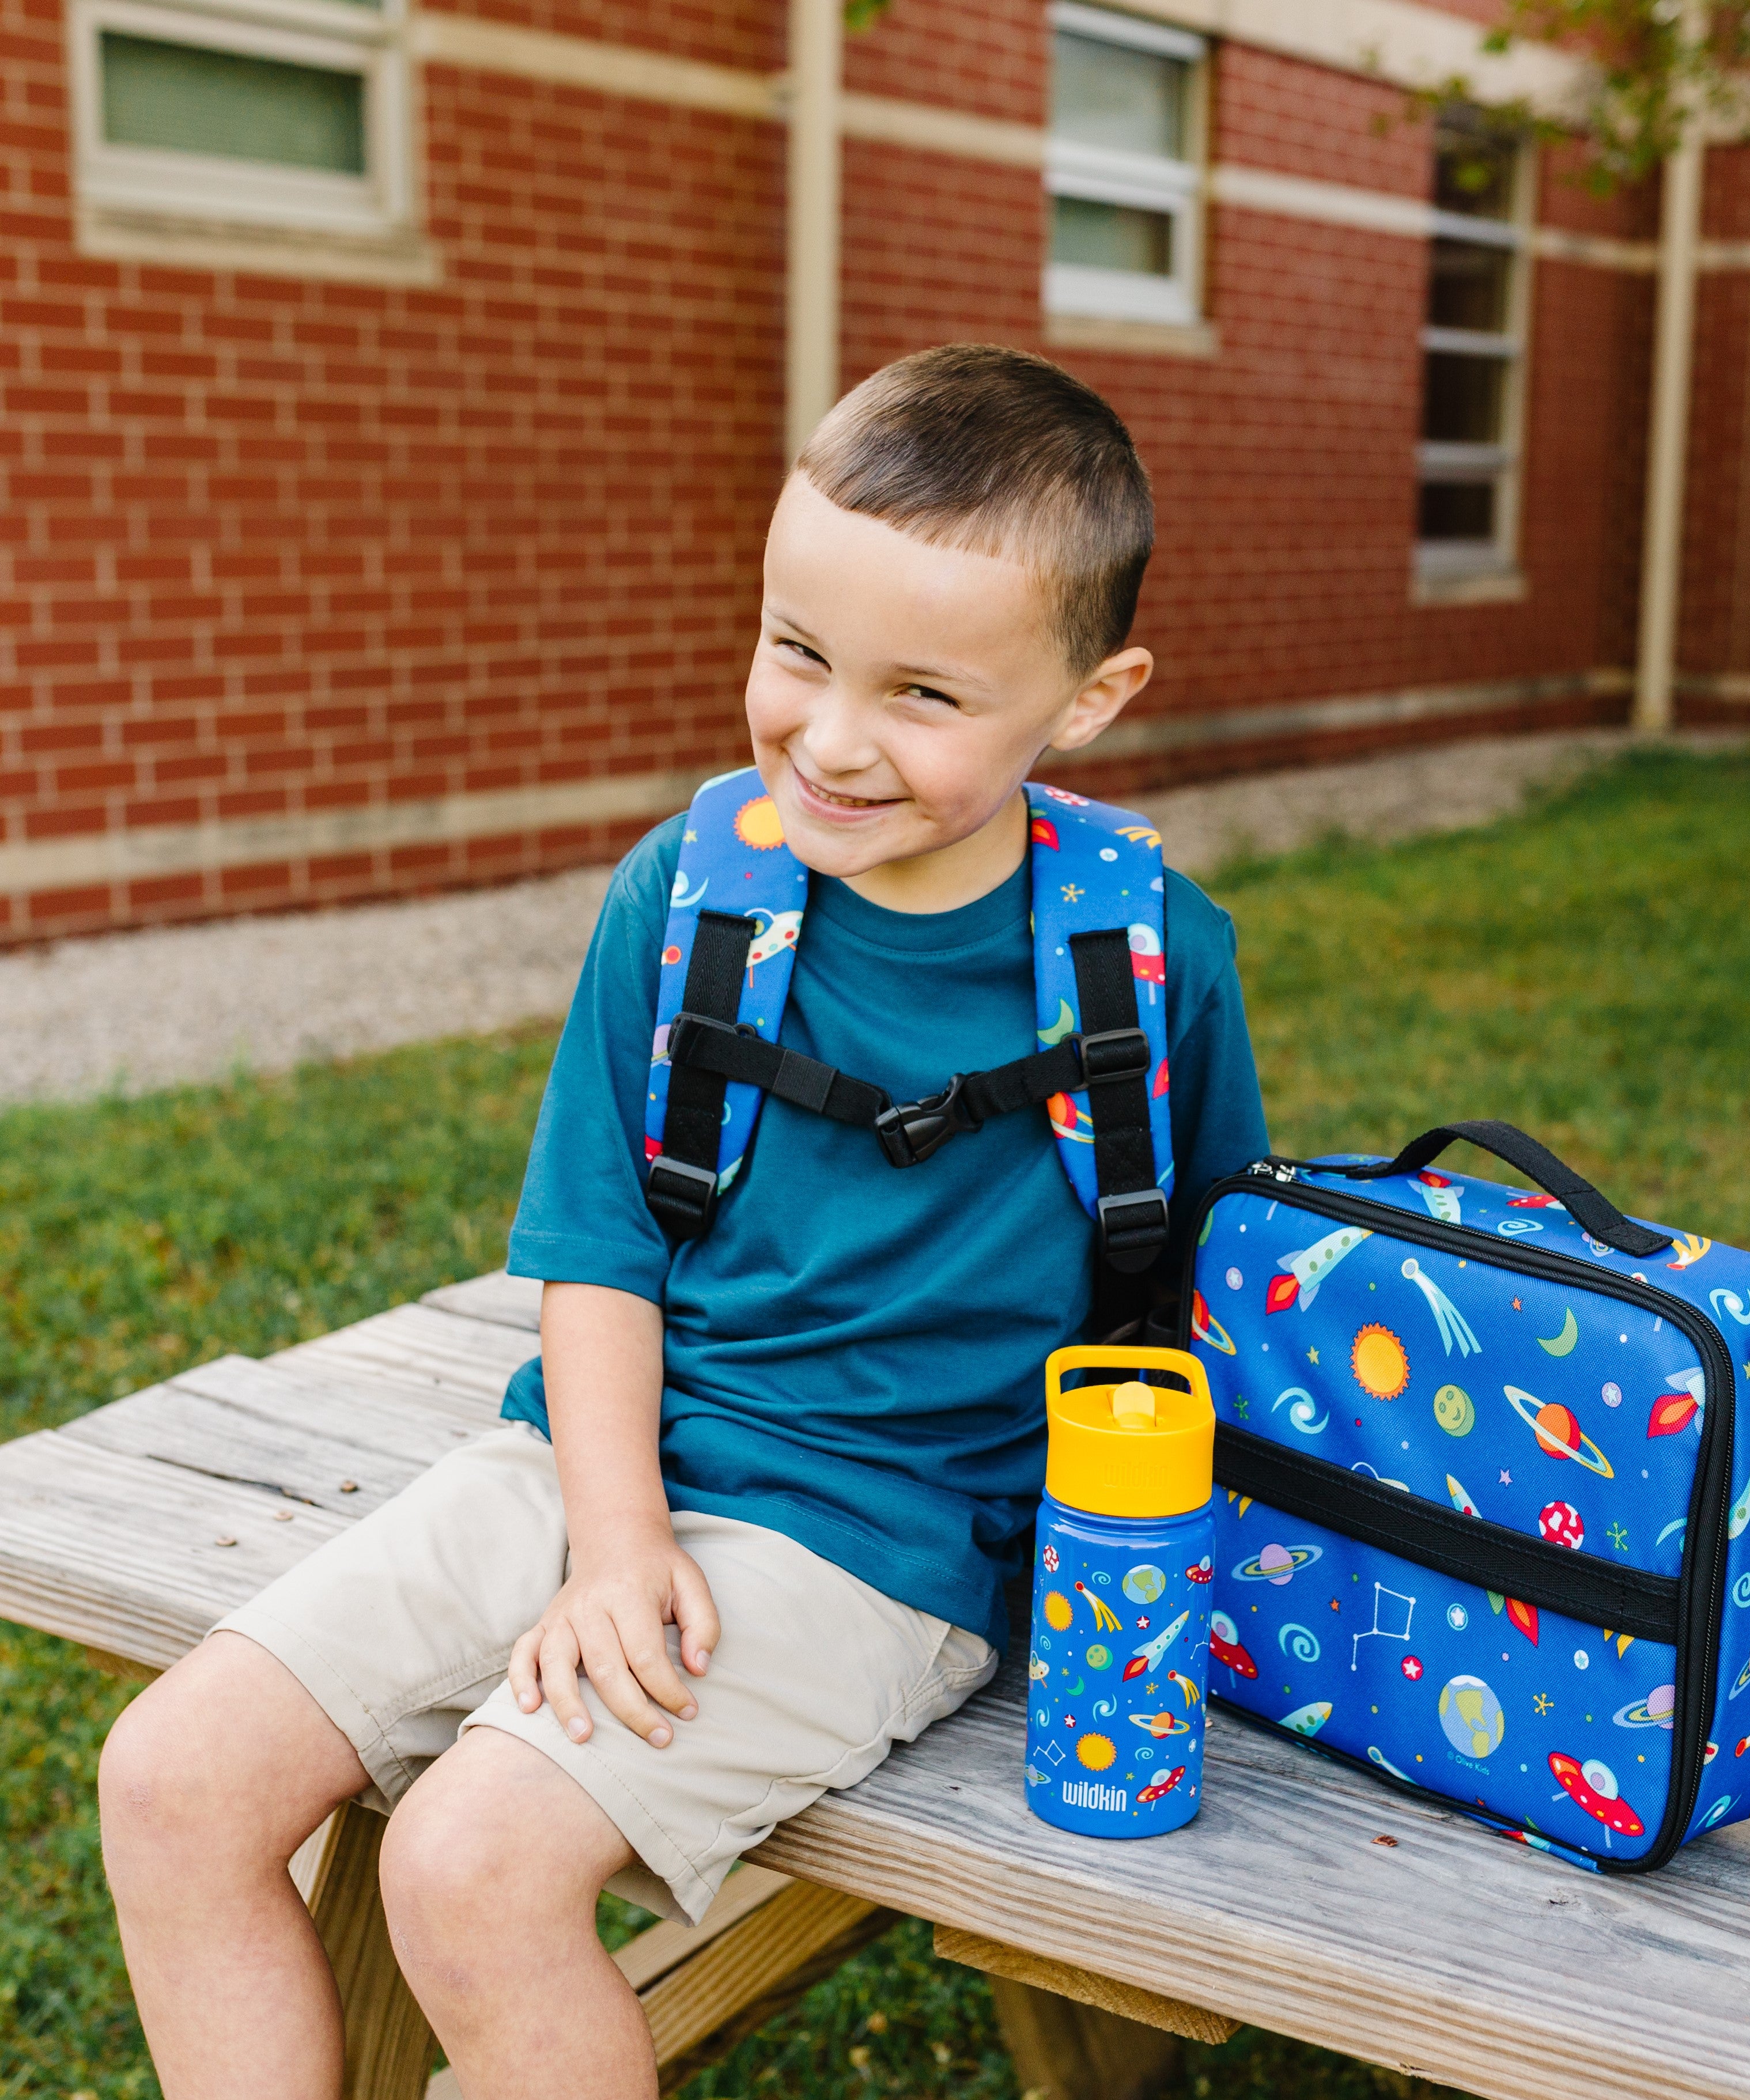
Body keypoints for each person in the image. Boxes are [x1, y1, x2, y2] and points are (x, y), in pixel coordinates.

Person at [97, 344, 1269, 2099]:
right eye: (797, 651)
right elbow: (595, 1254)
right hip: (594, 1457)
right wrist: (616, 1533)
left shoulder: (1150, 957)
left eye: (925, 696)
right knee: (172, 1777)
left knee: (469, 1869)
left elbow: (1217, 1306)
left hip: (881, 1549)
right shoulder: (692, 896)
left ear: (1091, 700)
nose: (831, 736)